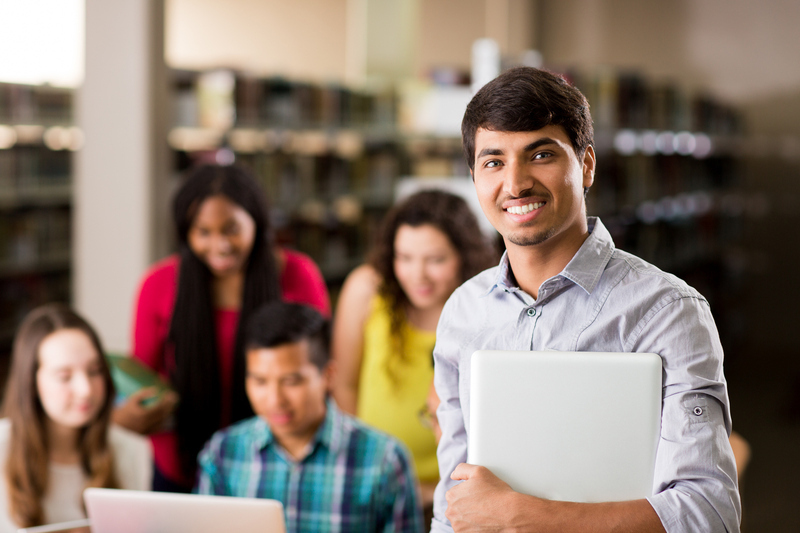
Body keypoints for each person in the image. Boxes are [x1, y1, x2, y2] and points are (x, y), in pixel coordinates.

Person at [432, 67, 741, 533]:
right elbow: (455, 501)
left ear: (587, 164)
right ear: (474, 176)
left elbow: (709, 513)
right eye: (493, 161)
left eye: (540, 154)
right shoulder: (463, 311)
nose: (515, 184)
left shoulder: (669, 312)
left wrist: (523, 516)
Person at [113, 163, 331, 492]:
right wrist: (124, 416)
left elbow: (321, 369)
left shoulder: (299, 276)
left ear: (256, 223)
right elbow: (142, 374)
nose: (219, 245)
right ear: (185, 232)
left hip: (276, 466)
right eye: (203, 232)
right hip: (181, 466)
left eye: (231, 229)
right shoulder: (158, 285)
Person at [331, 190, 496, 512]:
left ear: (465, 256)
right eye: (404, 258)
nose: (417, 275)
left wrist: (436, 490)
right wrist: (361, 470)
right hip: (372, 484)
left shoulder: (486, 312)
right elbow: (344, 385)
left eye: (435, 260)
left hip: (454, 494)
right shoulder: (366, 289)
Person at [196, 302, 423, 533]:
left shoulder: (384, 460)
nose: (275, 400)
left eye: (291, 382)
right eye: (260, 381)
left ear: (328, 376)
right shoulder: (223, 453)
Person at [0, 304, 151, 530]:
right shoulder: (4, 447)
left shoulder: (130, 450)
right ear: (31, 383)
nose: (85, 390)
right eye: (64, 376)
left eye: (94, 371)